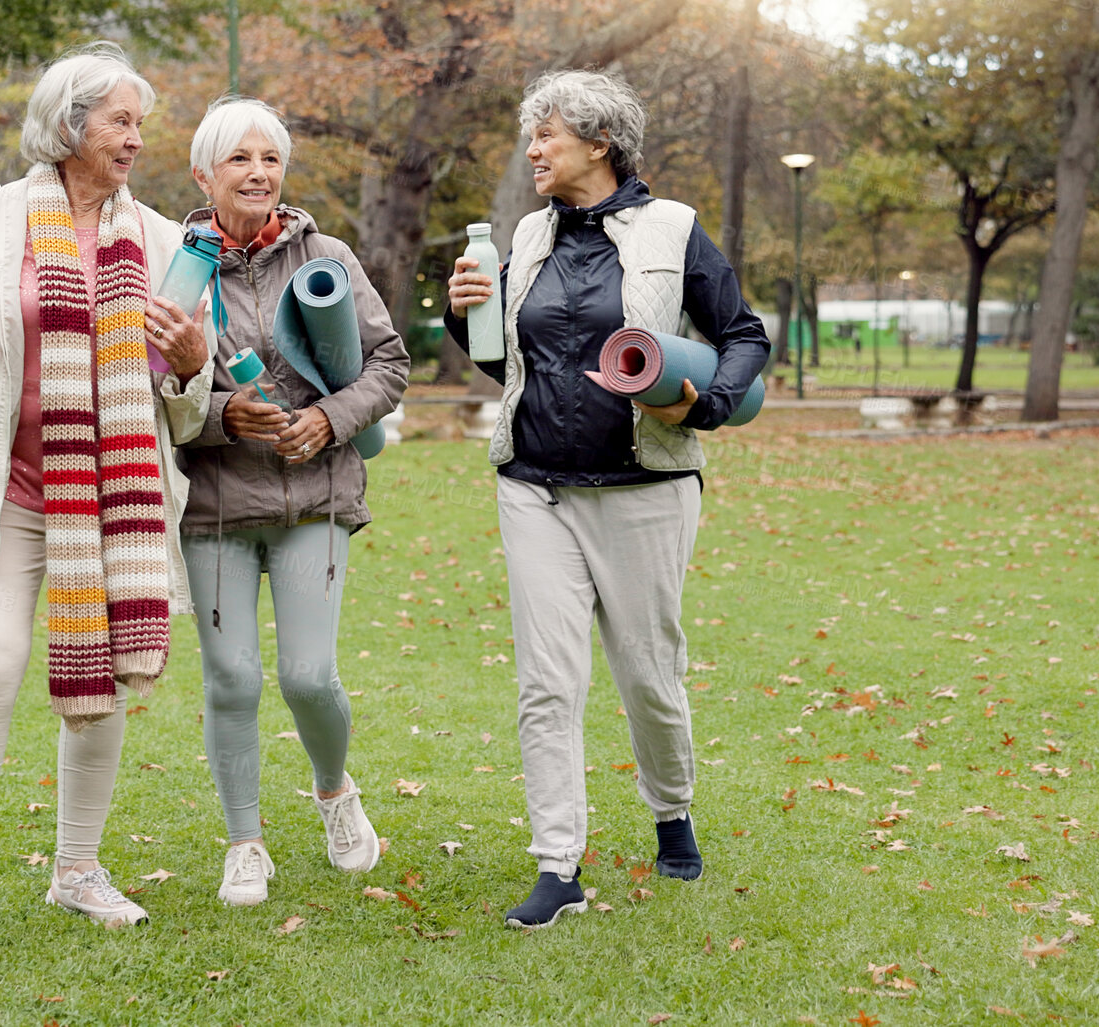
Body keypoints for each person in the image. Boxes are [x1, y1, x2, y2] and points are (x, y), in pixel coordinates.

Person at [0, 42, 215, 945]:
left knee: (97, 678)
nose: (136, 139)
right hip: (11, 495)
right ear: (69, 127)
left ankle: (77, 868)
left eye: (139, 123)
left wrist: (188, 366)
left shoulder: (156, 240)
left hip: (116, 505)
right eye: (120, 121)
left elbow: (189, 390)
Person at [445, 69, 770, 930]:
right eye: (532, 134)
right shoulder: (524, 233)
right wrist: (462, 316)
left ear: (599, 141)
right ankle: (558, 864)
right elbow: (509, 365)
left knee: (647, 673)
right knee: (546, 682)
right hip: (534, 485)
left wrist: (709, 402)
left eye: (547, 134)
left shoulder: (674, 229)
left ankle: (671, 809)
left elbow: (742, 333)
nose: (533, 149)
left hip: (645, 487)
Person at [175, 97, 409, 907]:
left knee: (309, 676)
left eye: (269, 159)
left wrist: (327, 418)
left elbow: (388, 363)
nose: (258, 173)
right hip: (212, 504)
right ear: (204, 173)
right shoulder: (172, 267)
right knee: (230, 676)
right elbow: (138, 387)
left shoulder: (327, 255)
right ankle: (244, 841)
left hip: (316, 494)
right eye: (239, 159)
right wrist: (217, 416)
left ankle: (335, 792)